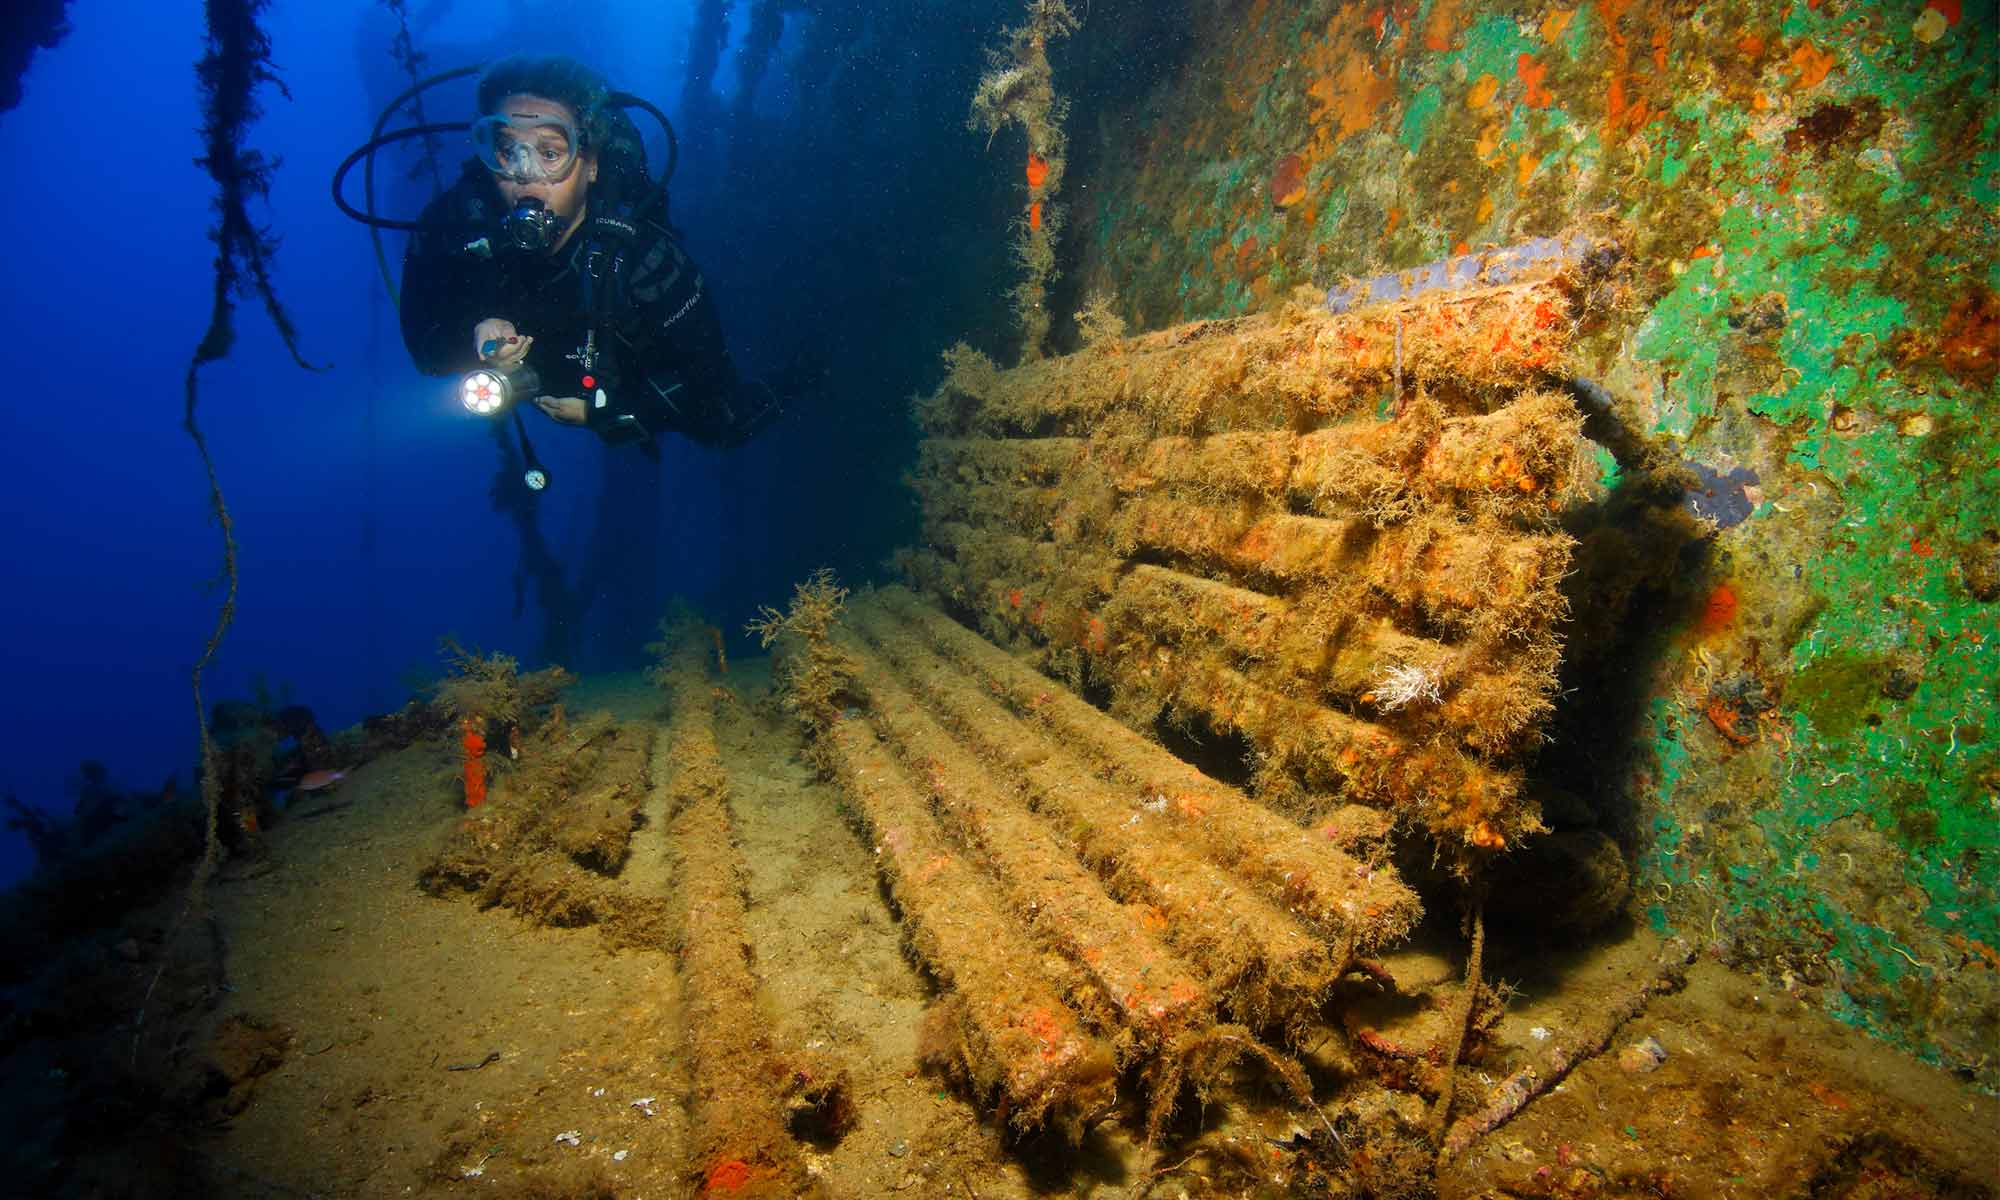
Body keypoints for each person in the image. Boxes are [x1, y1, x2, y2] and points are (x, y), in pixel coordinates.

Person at [400, 55, 786, 450]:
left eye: (549, 153)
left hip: (628, 377)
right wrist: (476, 336)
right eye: (507, 151)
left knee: (725, 428)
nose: (524, 173)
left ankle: (803, 375)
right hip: (544, 374)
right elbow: (426, 352)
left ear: (592, 165)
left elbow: (709, 380)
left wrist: (611, 414)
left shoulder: (642, 259)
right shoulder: (455, 228)